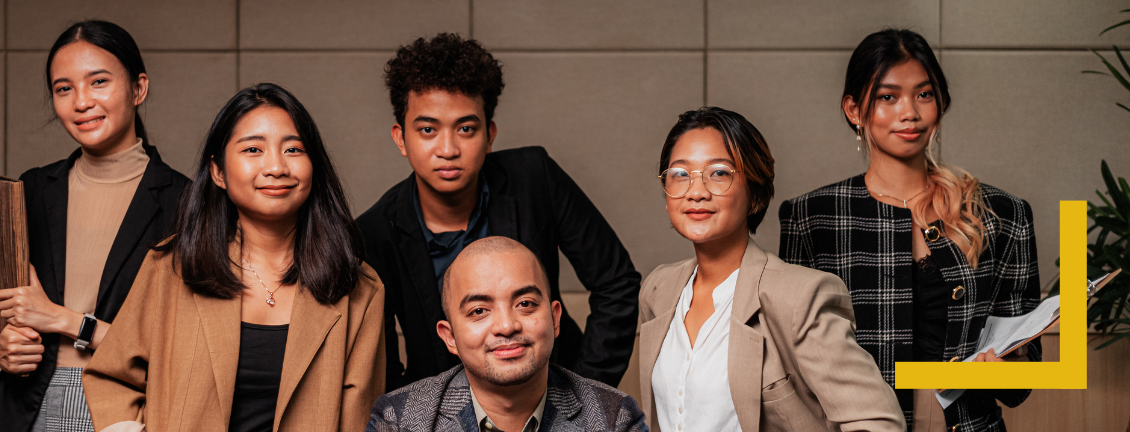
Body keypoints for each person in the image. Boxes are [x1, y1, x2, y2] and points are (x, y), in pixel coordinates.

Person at [778, 29, 1041, 432]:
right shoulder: (812, 218)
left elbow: (1022, 378)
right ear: (854, 109)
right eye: (888, 97)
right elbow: (793, 363)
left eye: (924, 94)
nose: (910, 113)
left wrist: (1007, 367)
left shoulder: (1002, 215)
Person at [82, 83, 384, 432]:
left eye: (293, 149)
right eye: (253, 149)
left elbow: (360, 418)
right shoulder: (171, 268)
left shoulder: (359, 287)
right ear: (218, 172)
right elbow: (112, 378)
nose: (276, 167)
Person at [357, 32, 641, 391]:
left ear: (489, 135)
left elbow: (616, 283)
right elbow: (378, 364)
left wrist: (584, 396)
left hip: (555, 391)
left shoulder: (533, 178)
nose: (448, 149)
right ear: (401, 138)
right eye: (428, 130)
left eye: (465, 129)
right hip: (444, 408)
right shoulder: (374, 233)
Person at [0, 20, 188, 432]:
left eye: (98, 82)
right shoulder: (32, 189)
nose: (81, 102)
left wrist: (62, 319)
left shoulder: (187, 203)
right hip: (20, 407)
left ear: (138, 88)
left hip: (124, 408)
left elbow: (186, 346)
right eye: (64, 89)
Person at [639, 108, 905, 432]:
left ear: (755, 194)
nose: (696, 192)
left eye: (719, 173)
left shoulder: (799, 297)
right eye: (681, 174)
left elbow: (877, 422)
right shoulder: (658, 289)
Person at [367, 237, 647, 432]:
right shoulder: (400, 420)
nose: (506, 326)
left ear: (555, 318)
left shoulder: (615, 418)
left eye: (525, 304)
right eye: (479, 310)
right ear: (449, 337)